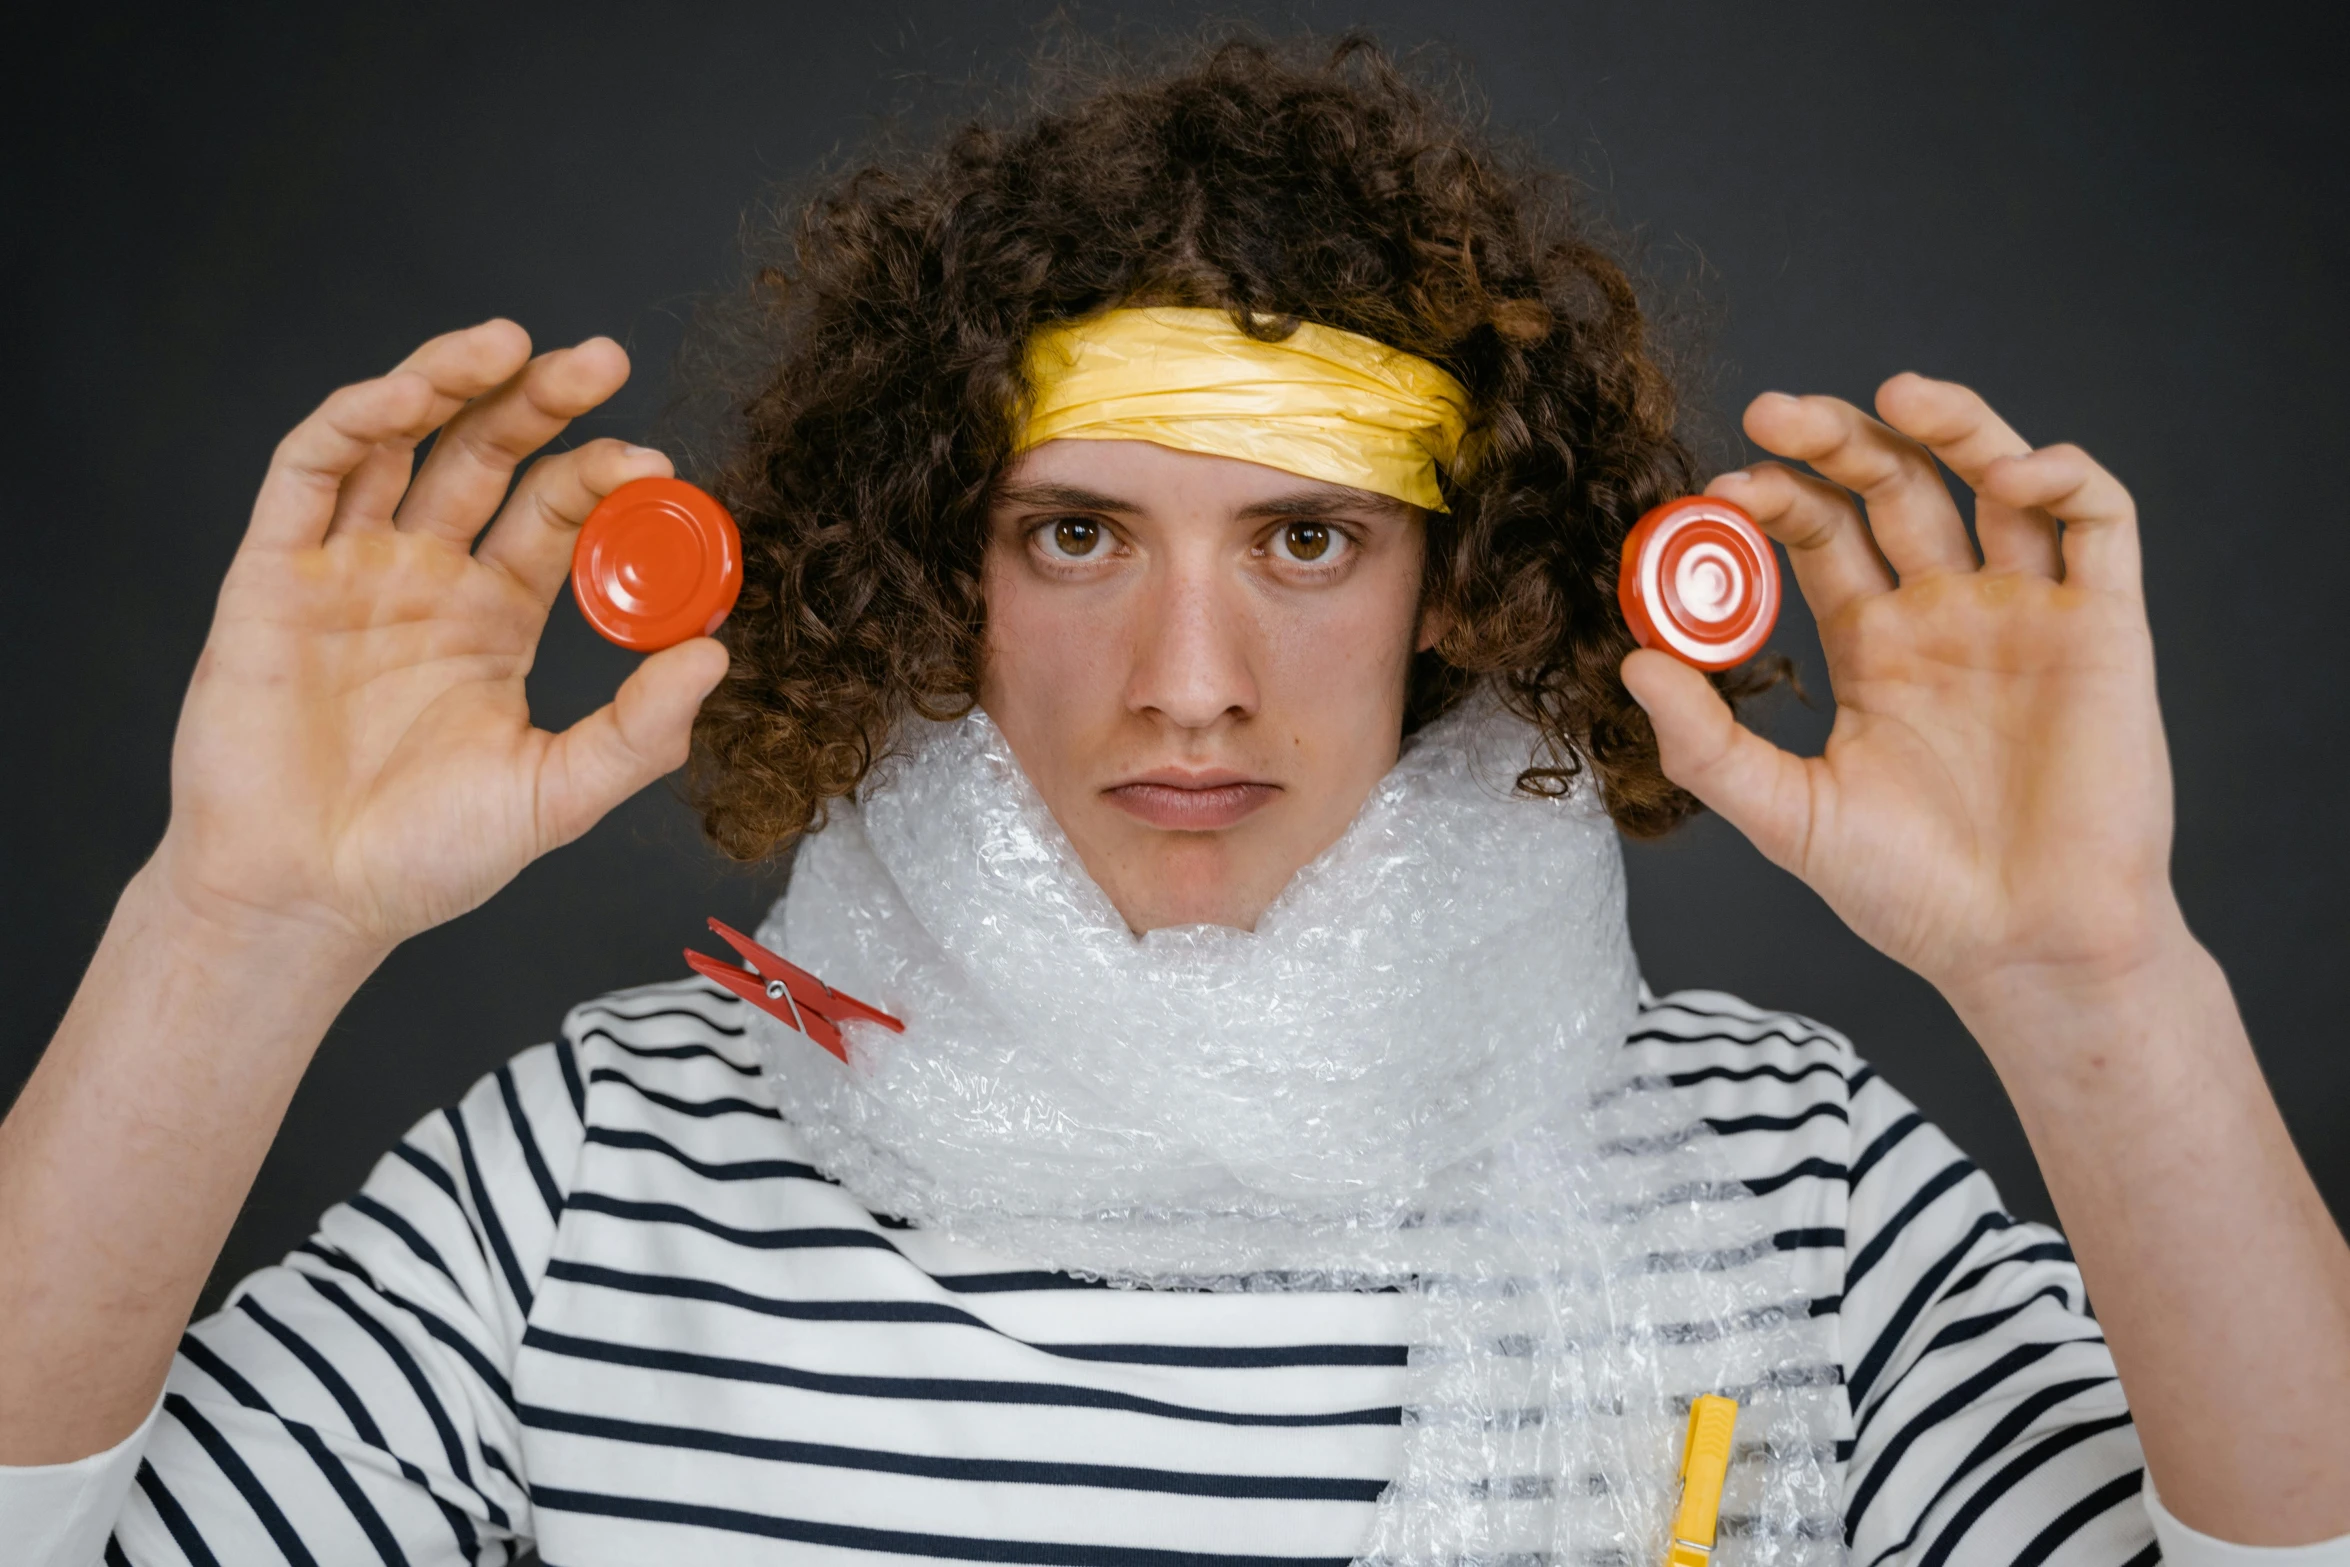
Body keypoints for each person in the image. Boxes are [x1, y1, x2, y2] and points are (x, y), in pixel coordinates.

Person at [5, 36, 2347, 1567]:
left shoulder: (1780, 1173)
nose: (1188, 683)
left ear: (1459, 579)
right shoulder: (605, 1155)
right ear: (935, 558)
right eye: (1075, 532)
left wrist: (2093, 983)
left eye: (1304, 540)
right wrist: (239, 920)